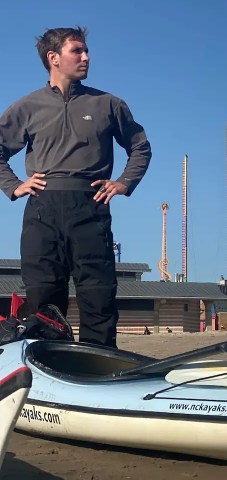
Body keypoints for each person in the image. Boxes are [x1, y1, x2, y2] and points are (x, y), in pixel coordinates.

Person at [0, 26, 151, 347]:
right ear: (53, 58)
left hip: (90, 208)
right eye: (77, 51)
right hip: (42, 209)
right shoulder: (27, 107)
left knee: (98, 295)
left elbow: (140, 147)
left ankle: (99, 367)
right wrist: (13, 185)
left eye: (86, 51)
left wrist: (125, 182)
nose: (86, 57)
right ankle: (44, 369)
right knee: (42, 298)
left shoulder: (108, 104)